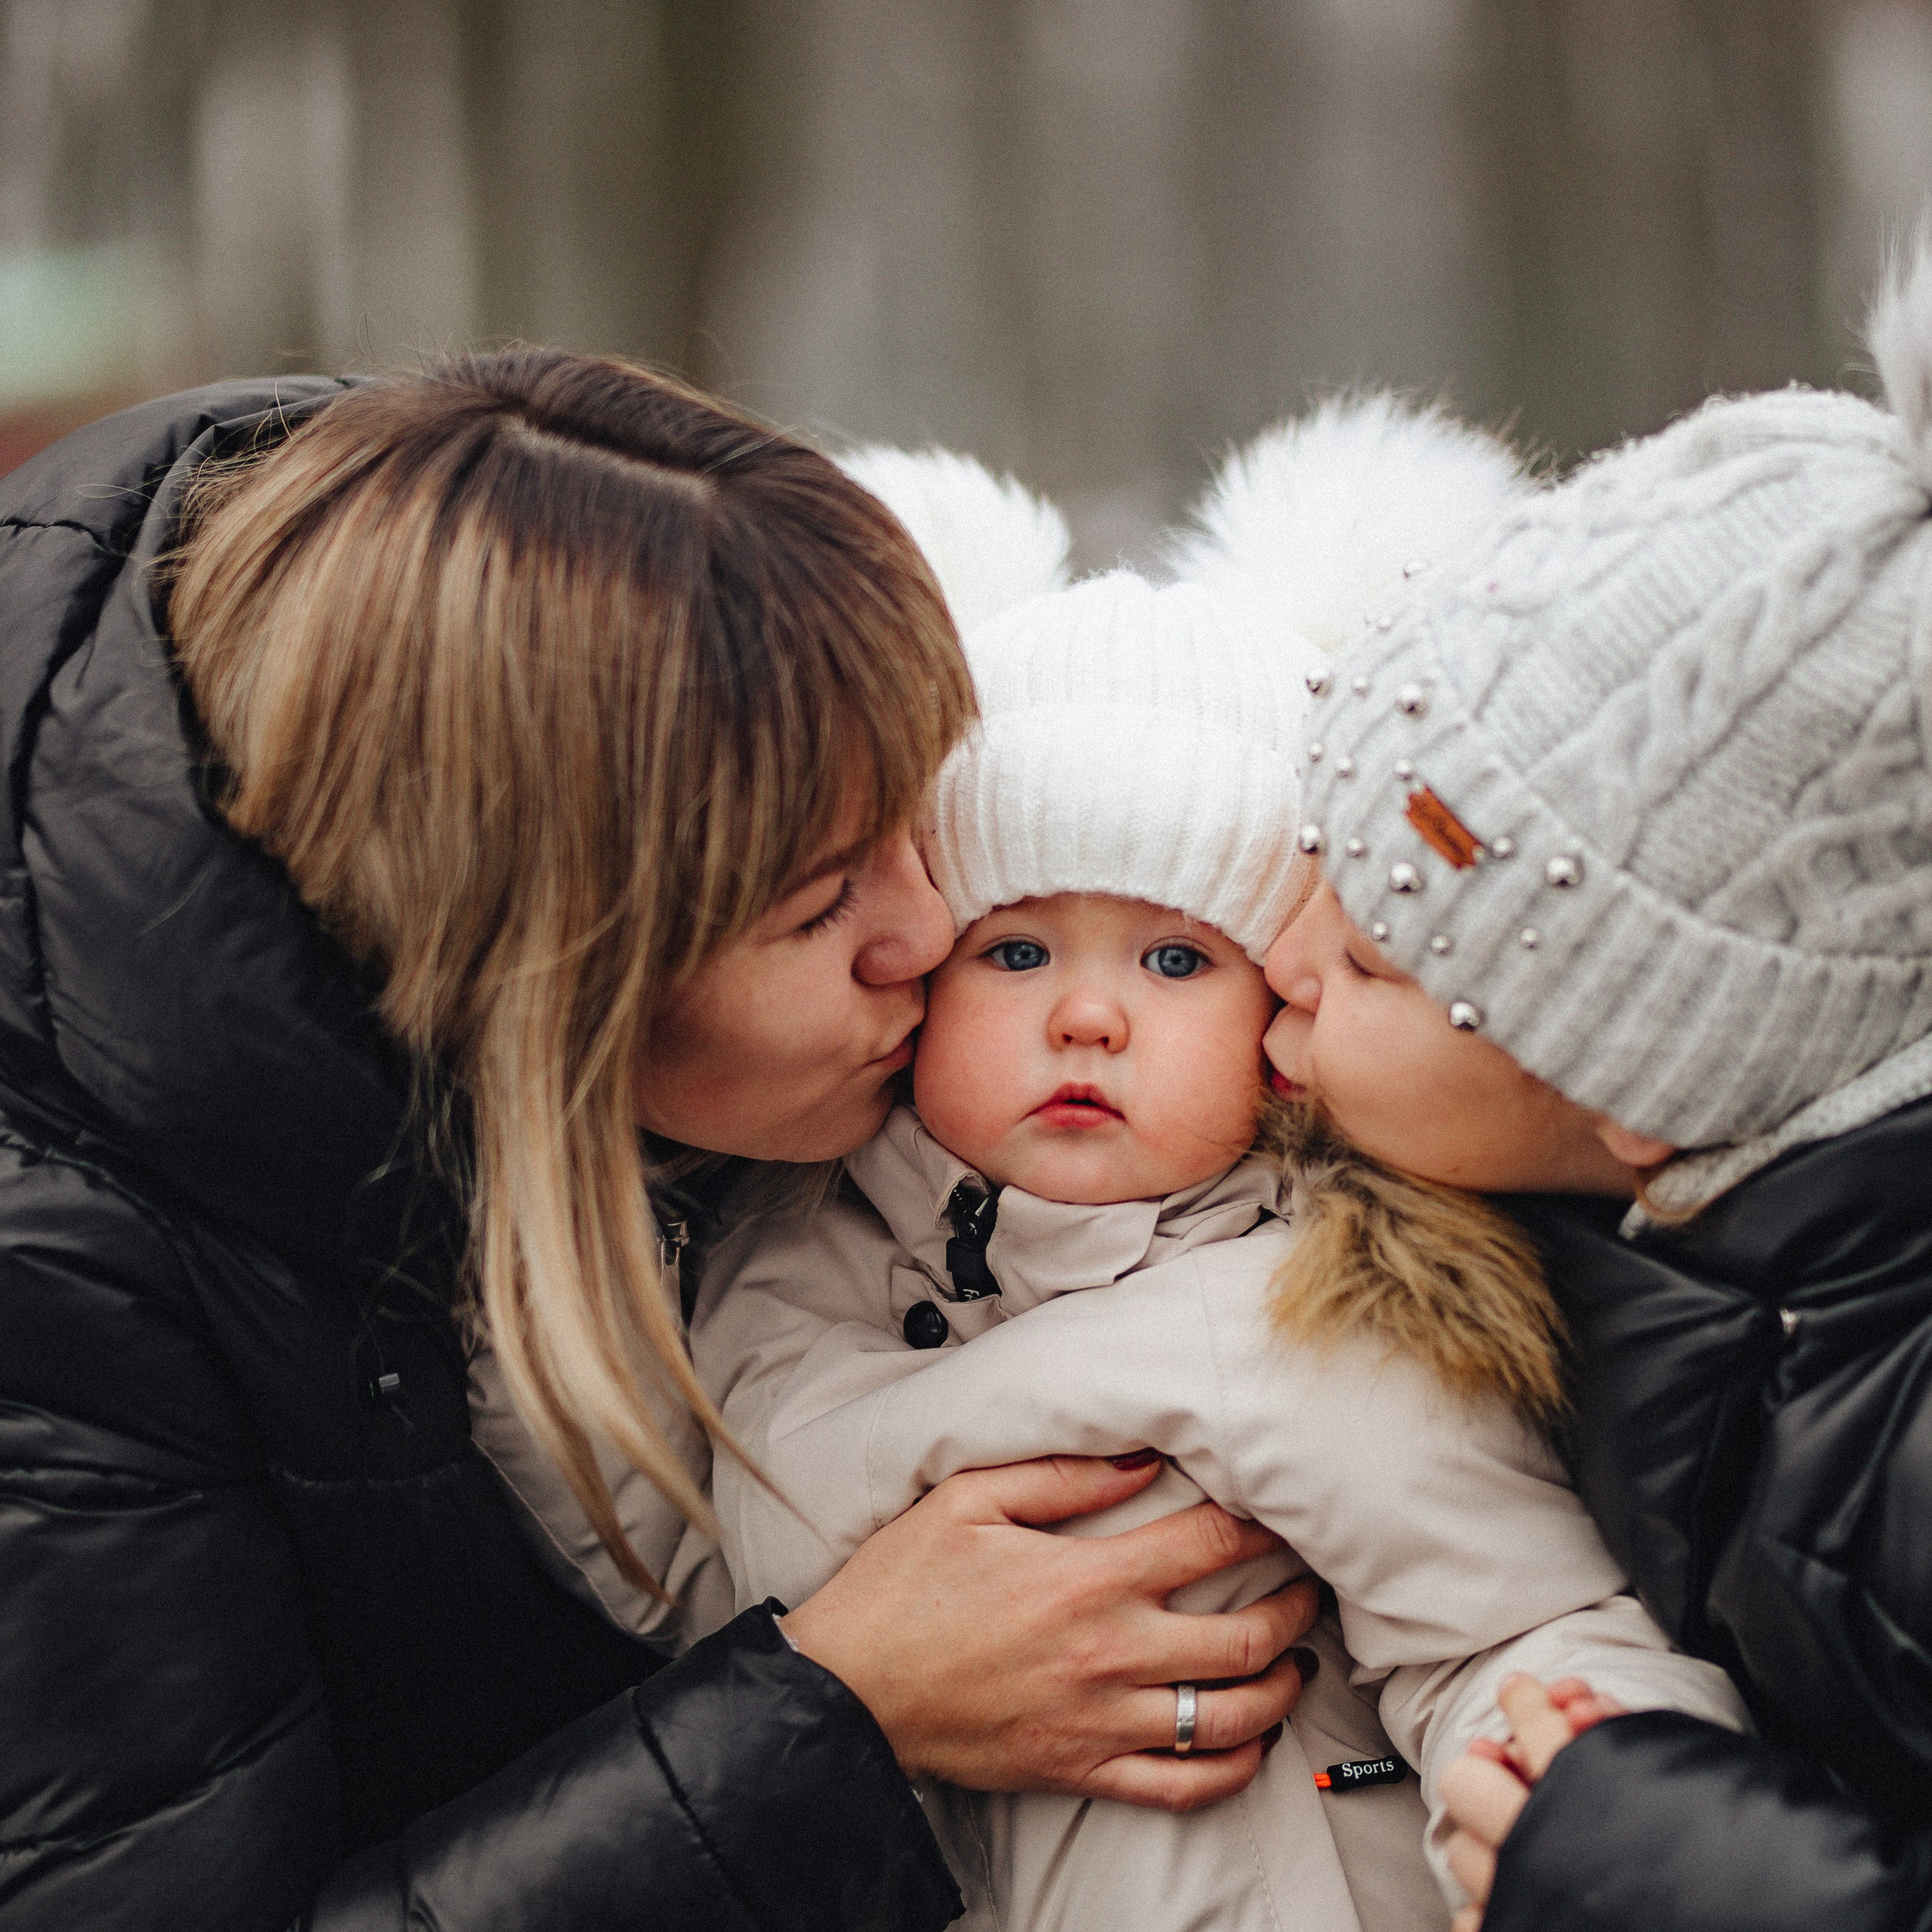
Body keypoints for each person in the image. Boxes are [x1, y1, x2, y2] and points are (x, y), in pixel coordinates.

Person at [0, 352, 1320, 1932]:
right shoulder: (58, 1298)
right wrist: (835, 1713)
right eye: (820, 900)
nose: (927, 928)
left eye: (921, 822)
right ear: (551, 977)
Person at [489, 404, 1744, 1932]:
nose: (1085, 1012)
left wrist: (1582, 1805)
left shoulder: (1311, 1311)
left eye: (1170, 957)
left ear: (1278, 1007)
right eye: (1014, 948)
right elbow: (680, 1567)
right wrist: (527, 1279)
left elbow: (1507, 1622)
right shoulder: (786, 1254)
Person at [1266, 243, 1932, 1932]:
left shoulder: (1896, 1451)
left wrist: (1672, 1881)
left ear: (1644, 1078)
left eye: (1373, 960)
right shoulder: (1666, 1228)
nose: (1276, 950)